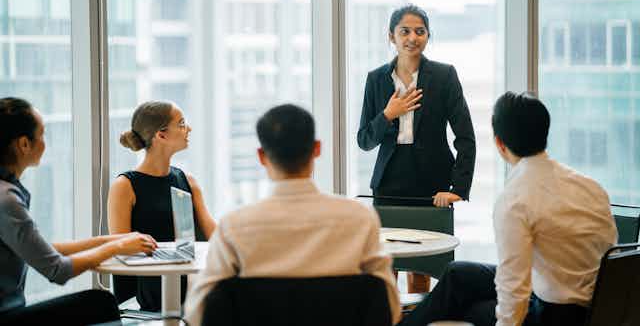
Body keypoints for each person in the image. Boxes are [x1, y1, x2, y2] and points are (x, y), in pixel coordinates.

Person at [399, 92, 617, 326]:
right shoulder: (590, 186)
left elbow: (514, 289)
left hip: (555, 315)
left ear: (499, 143)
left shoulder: (515, 199)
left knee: (471, 308)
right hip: (596, 307)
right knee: (457, 275)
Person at [183, 104, 401, 326]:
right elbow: (389, 307)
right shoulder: (360, 218)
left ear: (261, 156)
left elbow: (199, 312)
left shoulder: (235, 226)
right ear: (317, 149)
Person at [0, 97, 158, 325]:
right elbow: (58, 270)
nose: (46, 142)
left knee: (99, 304)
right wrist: (118, 247)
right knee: (100, 303)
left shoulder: (7, 192)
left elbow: (45, 250)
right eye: (43, 134)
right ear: (24, 144)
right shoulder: (7, 199)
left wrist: (116, 239)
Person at [357, 3, 476, 292]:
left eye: (420, 31)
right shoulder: (376, 79)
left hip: (431, 186)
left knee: (422, 271)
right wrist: (388, 114)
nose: (412, 37)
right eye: (405, 31)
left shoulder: (445, 76)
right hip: (388, 186)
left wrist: (458, 189)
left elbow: (466, 137)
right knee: (386, 272)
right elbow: (364, 140)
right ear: (391, 36)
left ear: (427, 36)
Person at [107, 100, 216, 311]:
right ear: (161, 135)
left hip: (191, 280)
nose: (189, 129)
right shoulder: (124, 186)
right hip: (149, 287)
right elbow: (121, 248)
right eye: (182, 123)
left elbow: (214, 234)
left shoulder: (188, 180)